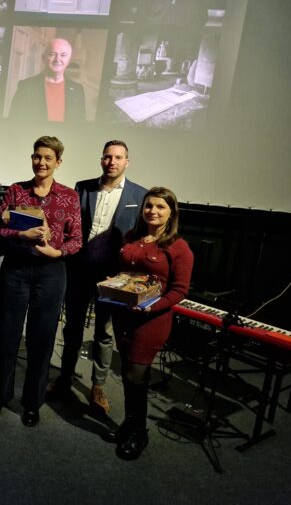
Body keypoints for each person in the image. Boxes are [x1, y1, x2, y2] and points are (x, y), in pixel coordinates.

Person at [0, 136, 82, 426]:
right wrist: (20, 234)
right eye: (37, 156)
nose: (41, 162)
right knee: (7, 334)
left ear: (58, 162)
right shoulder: (16, 191)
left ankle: (32, 403)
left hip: (51, 273)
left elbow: (76, 240)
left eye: (48, 158)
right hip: (16, 269)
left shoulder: (69, 196)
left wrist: (58, 251)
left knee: (42, 339)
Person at [47, 141, 147, 413]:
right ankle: (65, 377)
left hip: (113, 277)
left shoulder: (140, 195)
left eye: (118, 157)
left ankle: (98, 386)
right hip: (79, 270)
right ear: (101, 159)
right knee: (73, 327)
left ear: (127, 161)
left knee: (104, 332)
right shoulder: (82, 188)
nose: (112, 162)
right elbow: (71, 227)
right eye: (107, 157)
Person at [104, 187, 193, 460]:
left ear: (171, 213)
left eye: (160, 207)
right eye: (149, 205)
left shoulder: (178, 247)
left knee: (136, 373)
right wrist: (114, 283)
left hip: (152, 320)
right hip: (123, 314)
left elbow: (179, 290)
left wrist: (150, 306)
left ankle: (139, 433)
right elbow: (124, 271)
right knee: (127, 371)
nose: (153, 211)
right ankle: (129, 423)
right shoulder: (132, 237)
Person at [8, 37, 86, 124]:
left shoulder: (78, 90)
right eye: (52, 54)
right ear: (43, 58)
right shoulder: (26, 87)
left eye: (63, 55)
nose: (57, 60)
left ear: (69, 60)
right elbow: (14, 123)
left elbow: (80, 125)